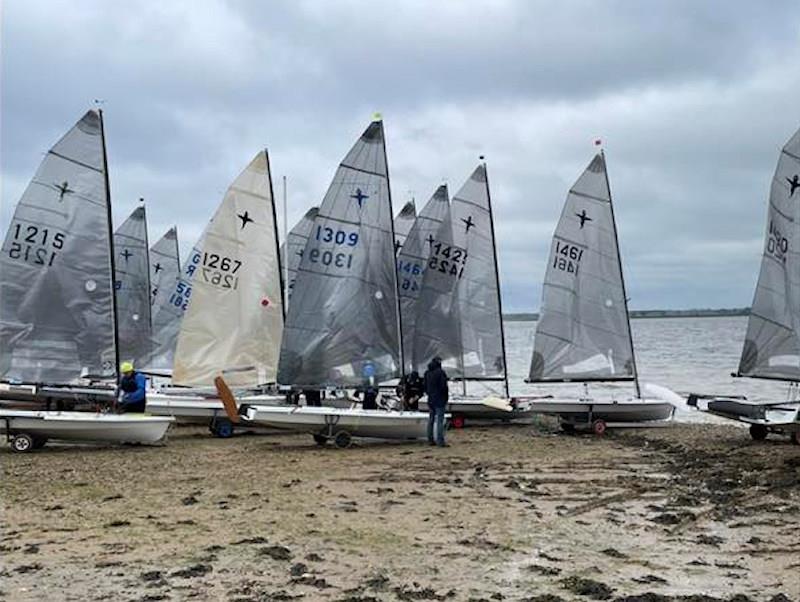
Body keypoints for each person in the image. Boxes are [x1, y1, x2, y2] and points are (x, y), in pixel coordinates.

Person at [423, 357, 449, 447]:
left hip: (431, 399)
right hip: (440, 399)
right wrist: (445, 397)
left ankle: (430, 439)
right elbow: (444, 387)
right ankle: (440, 441)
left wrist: (430, 393)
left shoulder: (427, 373)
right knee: (440, 421)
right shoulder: (440, 373)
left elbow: (425, 387)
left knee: (431, 420)